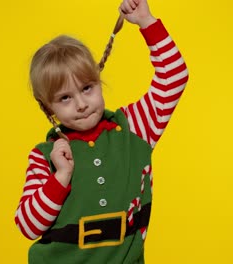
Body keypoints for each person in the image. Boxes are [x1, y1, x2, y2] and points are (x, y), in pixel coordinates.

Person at [15, 0, 189, 263]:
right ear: (47, 107)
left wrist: (146, 21)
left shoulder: (135, 128)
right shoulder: (45, 156)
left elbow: (174, 77)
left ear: (98, 80)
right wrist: (61, 176)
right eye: (65, 98)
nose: (82, 104)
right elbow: (28, 227)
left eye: (87, 88)